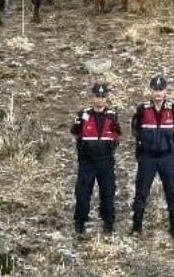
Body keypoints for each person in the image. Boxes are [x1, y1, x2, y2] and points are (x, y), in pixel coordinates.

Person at [130, 74, 174, 237]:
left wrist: (170, 143)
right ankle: (136, 227)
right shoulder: (143, 108)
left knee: (172, 193)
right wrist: (146, 142)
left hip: (167, 157)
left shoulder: (173, 109)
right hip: (147, 157)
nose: (158, 93)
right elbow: (135, 129)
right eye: (155, 89)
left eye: (161, 90)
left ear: (166, 91)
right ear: (150, 91)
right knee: (141, 192)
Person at [71, 81, 122, 236]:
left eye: (102, 96)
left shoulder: (112, 115)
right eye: (97, 96)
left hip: (106, 161)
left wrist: (110, 147)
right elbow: (75, 132)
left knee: (108, 193)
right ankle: (80, 223)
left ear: (106, 98)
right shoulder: (83, 114)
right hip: (87, 162)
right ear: (92, 97)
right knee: (82, 193)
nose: (99, 99)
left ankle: (108, 224)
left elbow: (116, 135)